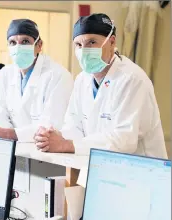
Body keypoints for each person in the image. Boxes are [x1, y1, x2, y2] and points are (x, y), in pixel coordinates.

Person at [34, 13, 167, 159]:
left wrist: (66, 144)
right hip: (96, 166)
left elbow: (124, 140)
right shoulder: (82, 79)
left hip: (139, 172)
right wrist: (53, 137)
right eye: (78, 45)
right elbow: (73, 126)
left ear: (112, 42)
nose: (84, 50)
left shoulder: (132, 79)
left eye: (92, 42)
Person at [0, 19, 74, 142]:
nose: (18, 47)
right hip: (10, 148)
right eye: (13, 42)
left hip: (43, 153)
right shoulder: (4, 74)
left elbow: (52, 127)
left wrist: (7, 133)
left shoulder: (58, 76)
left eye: (25, 41)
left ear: (39, 45)